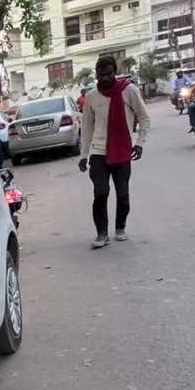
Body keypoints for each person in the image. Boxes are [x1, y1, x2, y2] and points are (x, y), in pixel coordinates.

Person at [78, 55, 150, 249]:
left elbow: (144, 118)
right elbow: (86, 128)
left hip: (121, 150)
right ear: (97, 75)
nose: (105, 78)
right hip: (98, 151)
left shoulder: (129, 91)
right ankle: (102, 234)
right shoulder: (91, 97)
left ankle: (120, 227)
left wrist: (140, 142)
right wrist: (84, 155)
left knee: (123, 194)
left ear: (115, 73)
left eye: (109, 74)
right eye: (101, 75)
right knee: (100, 192)